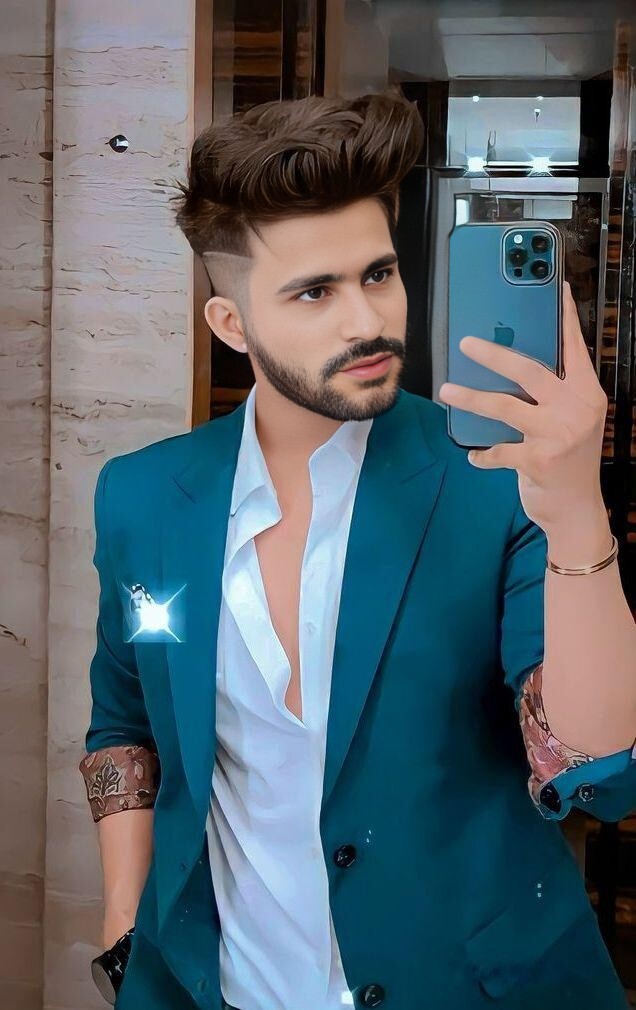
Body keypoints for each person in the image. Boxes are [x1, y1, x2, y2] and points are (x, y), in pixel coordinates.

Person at [79, 88, 636, 1010]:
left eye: (378, 274)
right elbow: (124, 724)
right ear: (231, 325)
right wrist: (123, 924)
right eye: (315, 292)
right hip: (221, 988)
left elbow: (595, 769)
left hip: (474, 986)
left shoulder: (492, 478)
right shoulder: (143, 496)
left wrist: (578, 511)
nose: (366, 321)